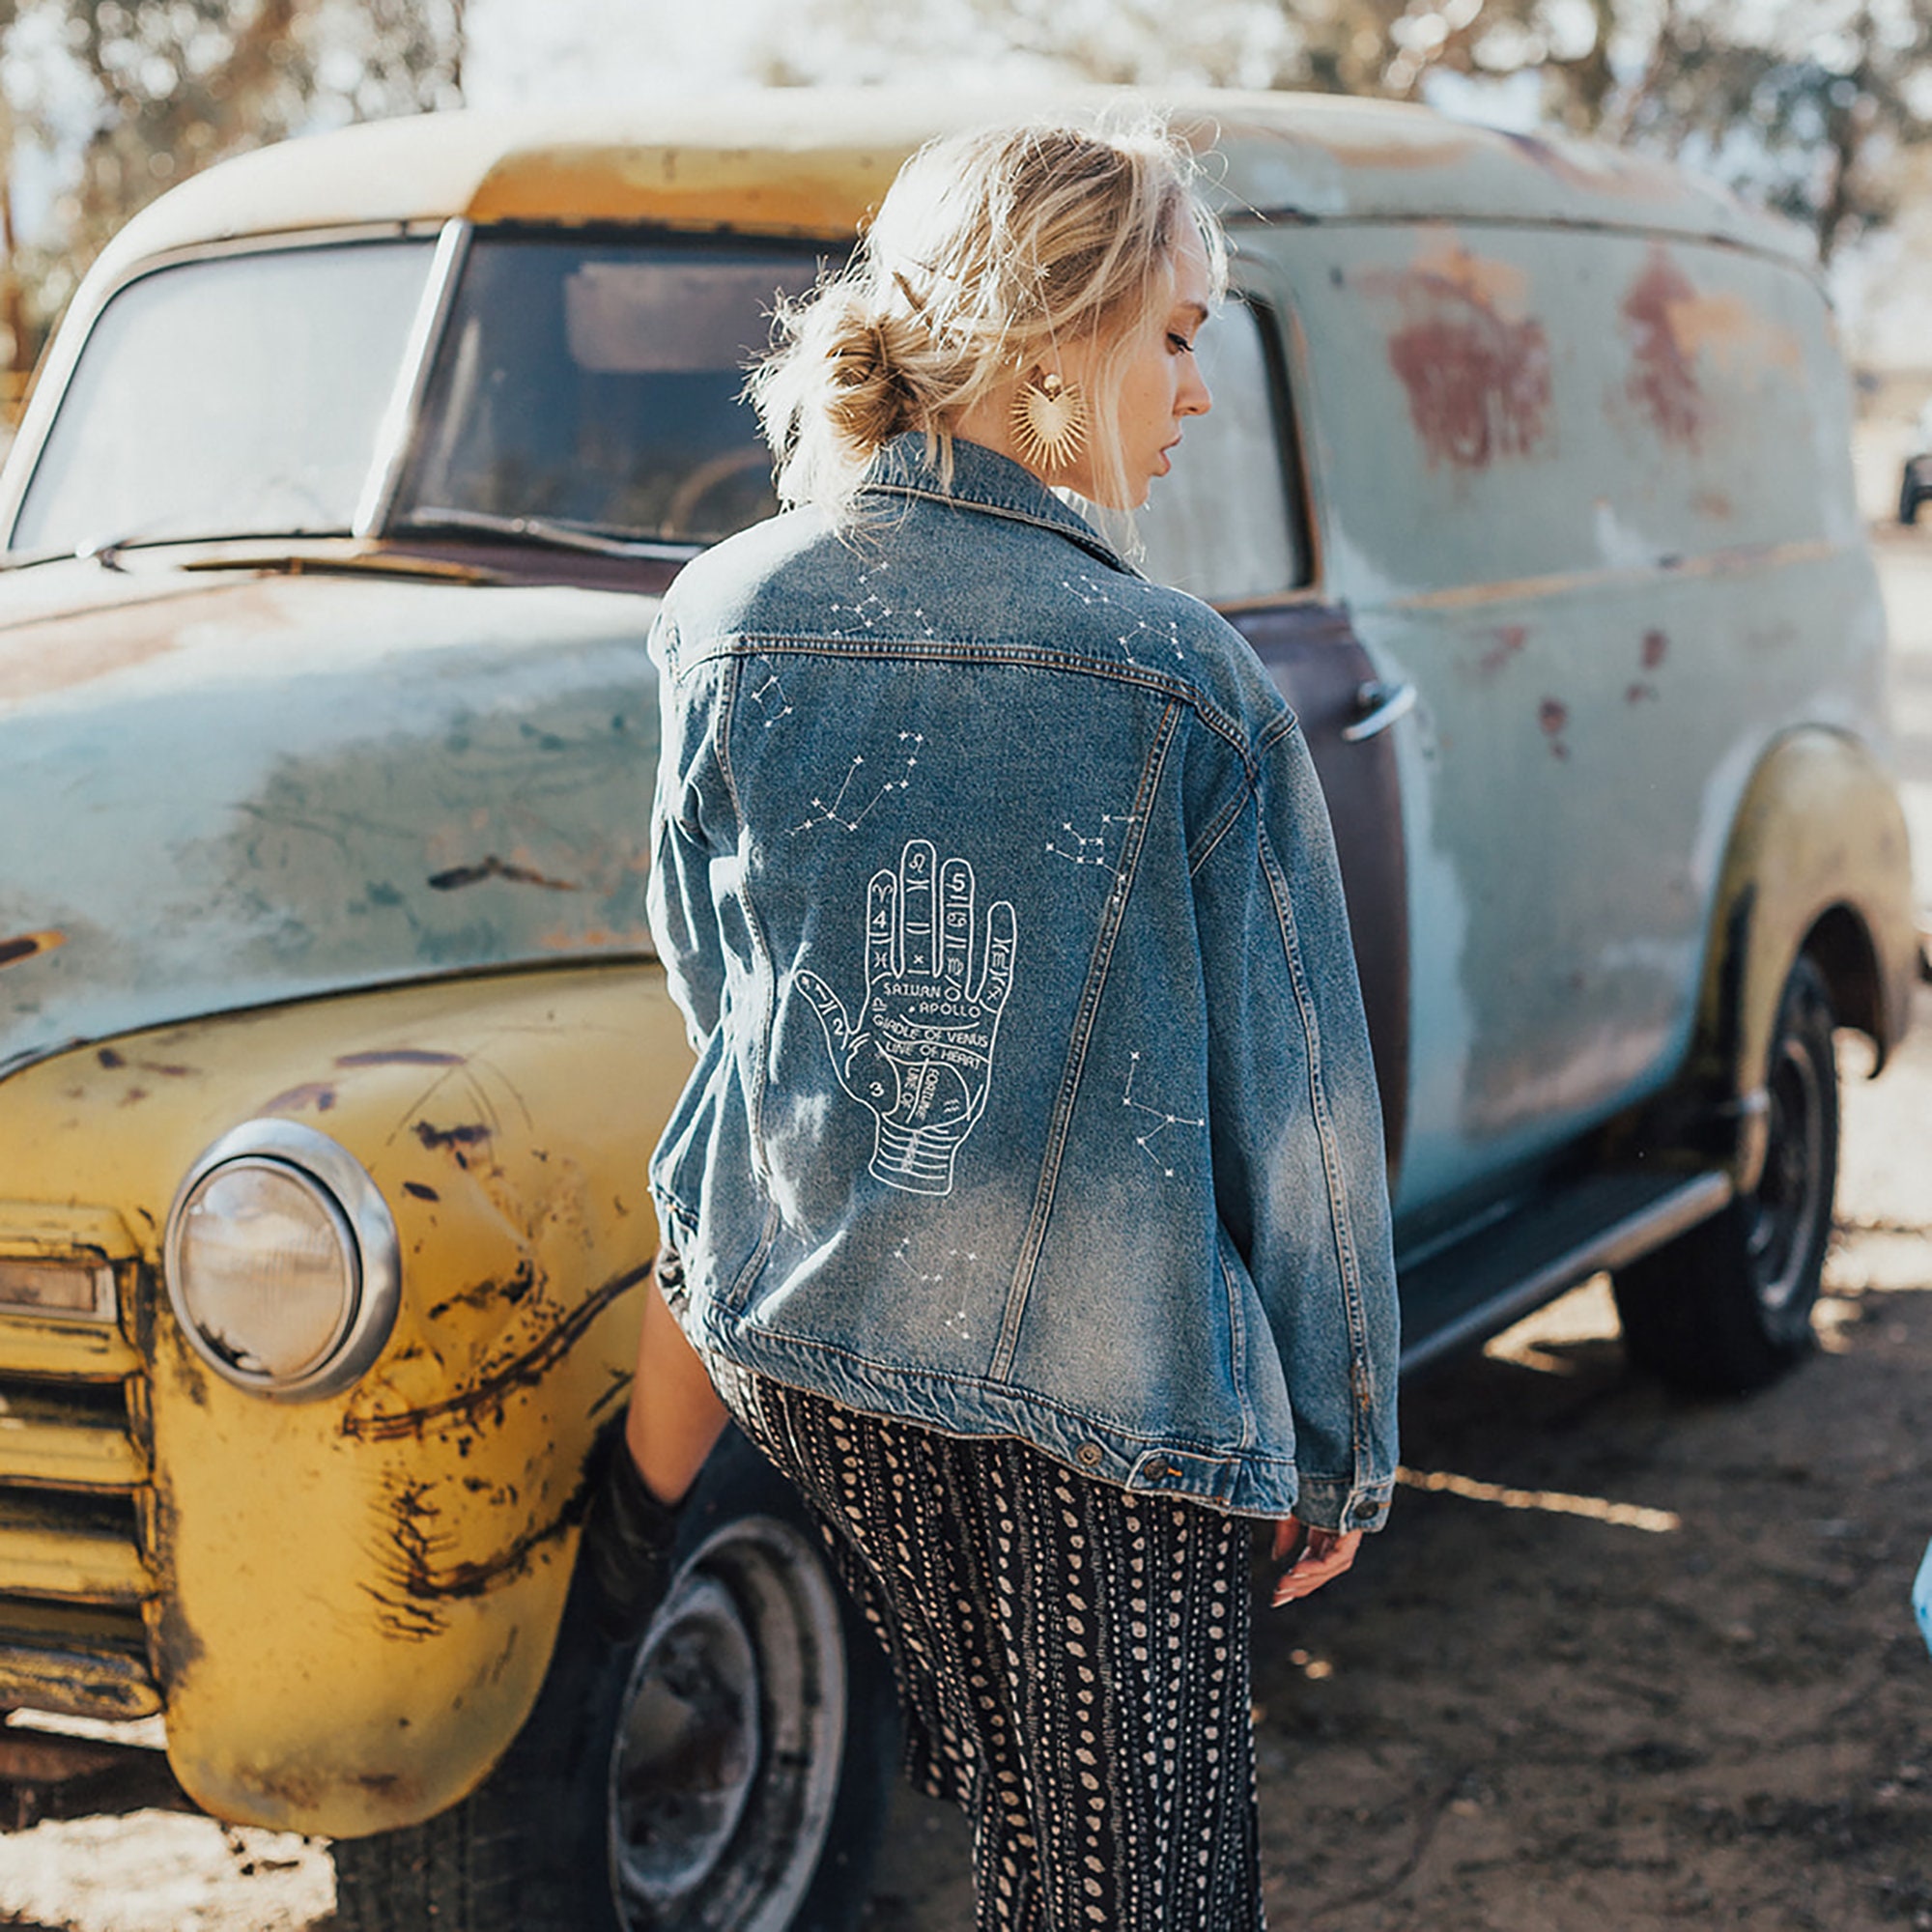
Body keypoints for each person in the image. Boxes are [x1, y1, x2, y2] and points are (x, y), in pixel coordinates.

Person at [582, 114, 1402, 1929]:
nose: (1196, 392)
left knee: (1043, 1828)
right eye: (1177, 337)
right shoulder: (1185, 680)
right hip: (1103, 1407)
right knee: (1140, 1887)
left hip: (811, 1360)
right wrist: (1341, 1438)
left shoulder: (720, 619)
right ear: (1056, 337)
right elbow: (1303, 1122)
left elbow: (719, 995)